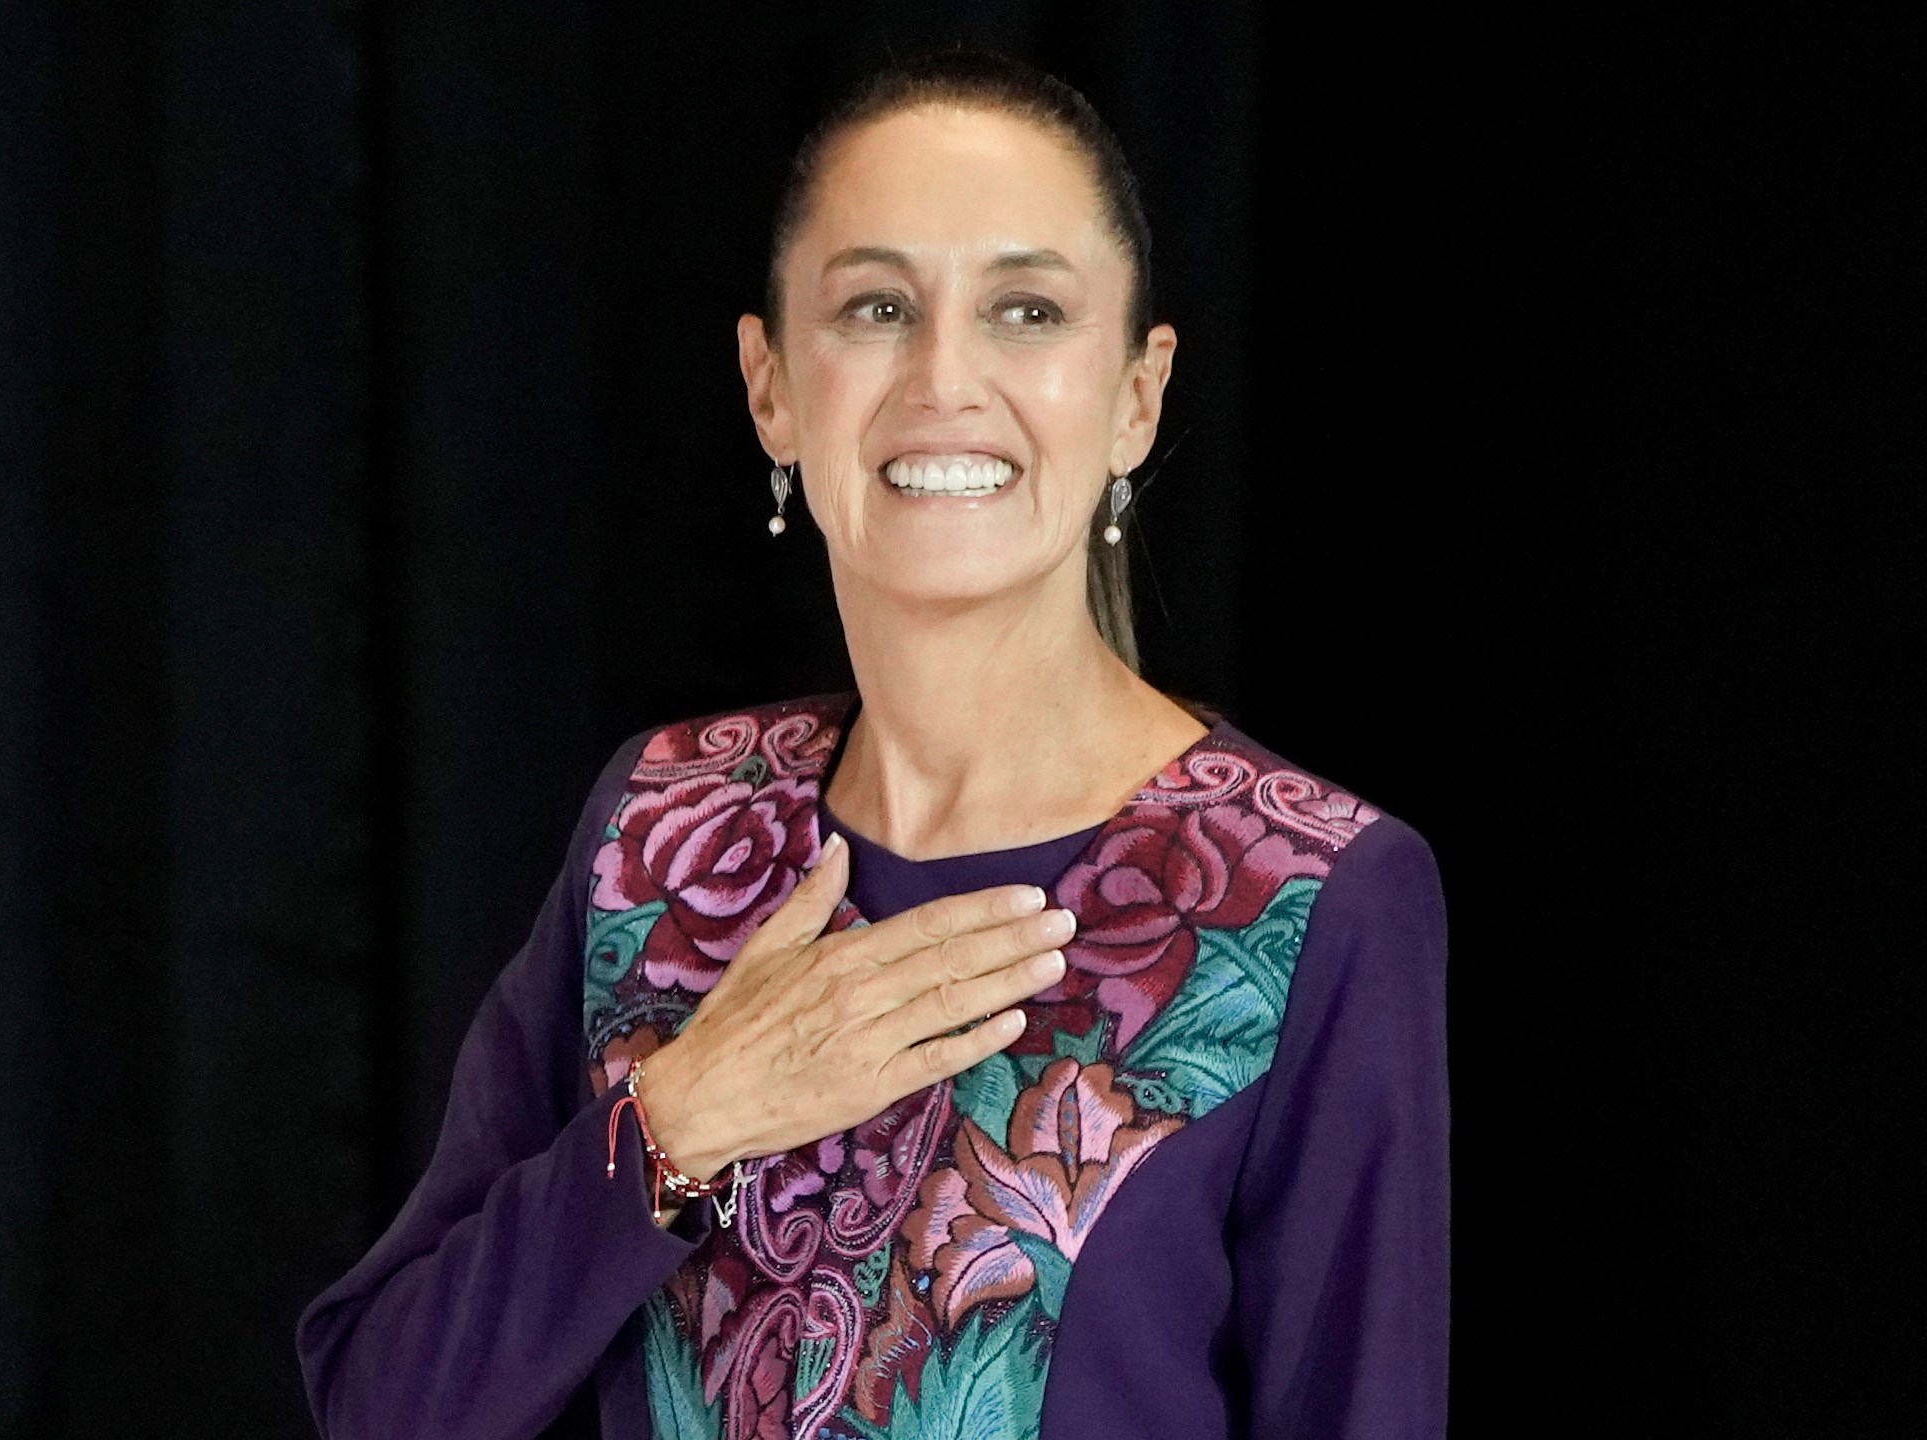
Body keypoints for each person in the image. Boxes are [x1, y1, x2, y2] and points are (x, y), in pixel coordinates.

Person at [296, 48, 1448, 1440]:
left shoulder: (1313, 896)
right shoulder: (662, 831)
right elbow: (383, 1402)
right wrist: (677, 1123)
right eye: (877, 306)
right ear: (771, 384)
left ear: (1135, 399)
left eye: (1027, 309)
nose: (944, 378)